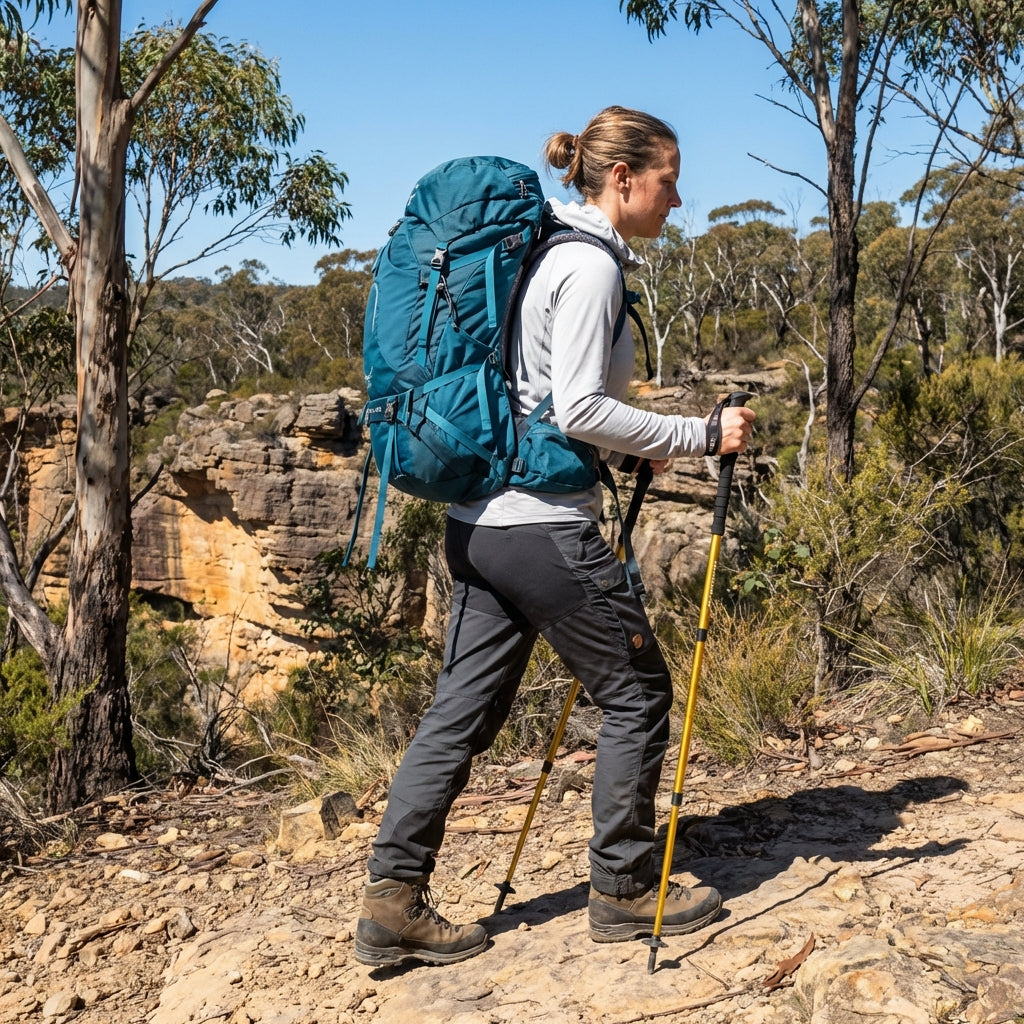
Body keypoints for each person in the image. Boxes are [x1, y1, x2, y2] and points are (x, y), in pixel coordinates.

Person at [354, 106, 756, 967]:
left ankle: (391, 900)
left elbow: (547, 402)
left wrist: (625, 448)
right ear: (622, 179)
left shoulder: (540, 254)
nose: (677, 198)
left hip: (481, 526)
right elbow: (576, 406)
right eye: (667, 179)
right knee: (639, 696)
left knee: (457, 716)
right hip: (542, 530)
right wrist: (696, 436)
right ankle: (624, 890)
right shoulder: (588, 266)